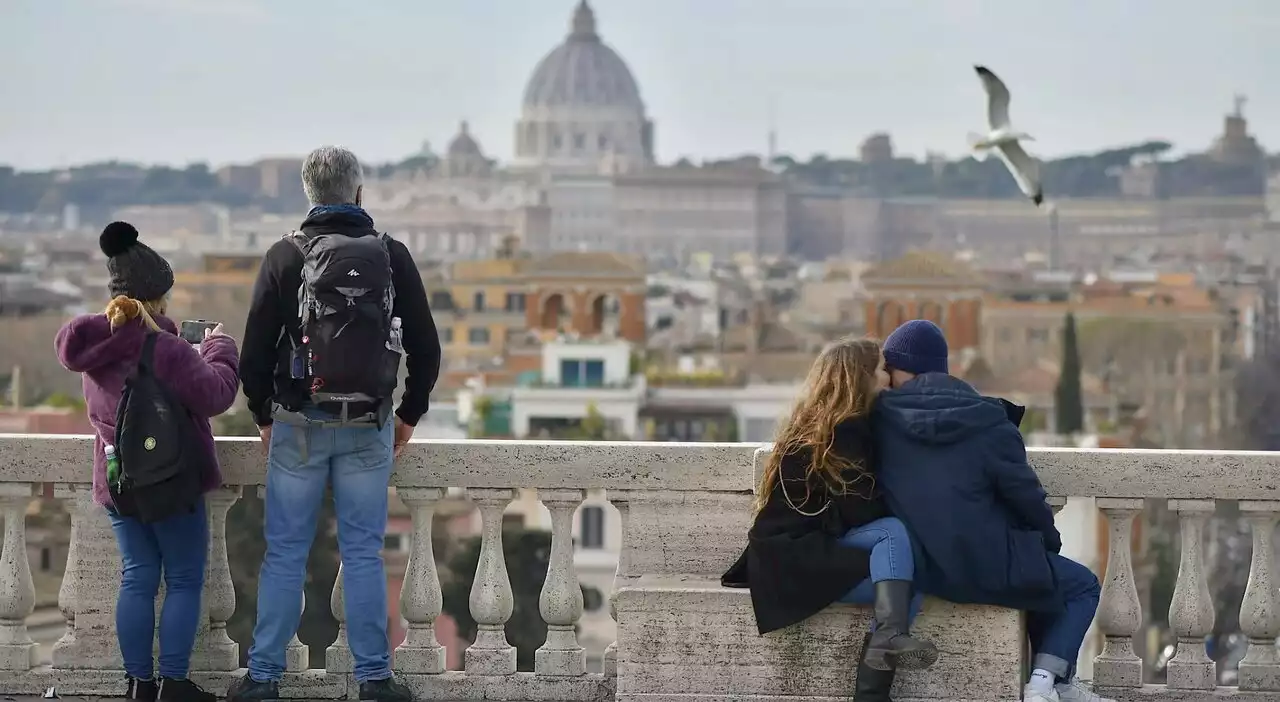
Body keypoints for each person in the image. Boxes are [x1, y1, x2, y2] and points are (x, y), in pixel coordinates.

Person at [230, 146, 440, 702]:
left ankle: (264, 678)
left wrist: (261, 415)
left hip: (298, 423)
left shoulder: (285, 255)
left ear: (308, 195)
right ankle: (374, 679)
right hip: (368, 423)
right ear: (359, 193)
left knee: (285, 553)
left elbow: (253, 351)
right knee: (364, 553)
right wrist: (408, 414)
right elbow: (427, 347)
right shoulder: (391, 255)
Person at [873, 319, 1113, 702]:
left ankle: (1056, 685)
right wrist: (1046, 542)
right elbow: (1026, 497)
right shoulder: (985, 419)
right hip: (986, 566)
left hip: (921, 568)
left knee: (1042, 572)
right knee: (1080, 584)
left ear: (898, 368)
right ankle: (1045, 682)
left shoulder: (877, 423)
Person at [55, 222, 240, 702]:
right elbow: (217, 394)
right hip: (173, 481)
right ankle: (173, 685)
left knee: (137, 575)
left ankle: (138, 684)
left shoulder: (91, 351)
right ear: (156, 299)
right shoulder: (168, 349)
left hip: (118, 479)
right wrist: (219, 348)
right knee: (181, 578)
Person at [723, 337, 937, 702]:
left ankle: (875, 684)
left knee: (904, 586)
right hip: (792, 565)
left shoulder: (823, 427)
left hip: (805, 552)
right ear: (862, 378)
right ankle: (876, 677)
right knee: (893, 538)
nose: (887, 378)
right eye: (881, 369)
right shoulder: (841, 435)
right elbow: (861, 513)